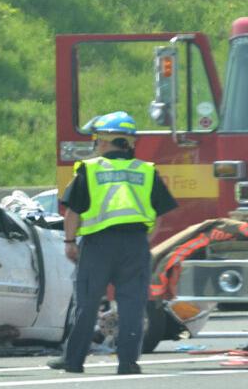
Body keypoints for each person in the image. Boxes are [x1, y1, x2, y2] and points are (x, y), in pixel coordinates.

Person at [48, 111, 177, 375]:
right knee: (132, 304)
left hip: (98, 245)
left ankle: (74, 361)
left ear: (106, 141)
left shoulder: (91, 169)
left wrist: (70, 242)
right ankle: (128, 362)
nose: (97, 145)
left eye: (98, 140)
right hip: (136, 243)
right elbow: (159, 214)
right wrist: (144, 240)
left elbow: (73, 211)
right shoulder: (146, 170)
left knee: (87, 302)